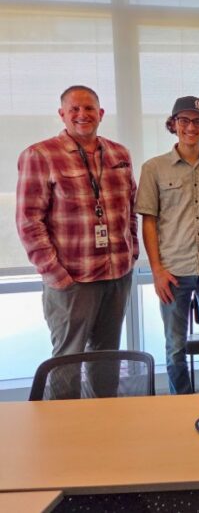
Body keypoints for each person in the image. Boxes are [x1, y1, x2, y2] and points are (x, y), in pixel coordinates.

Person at [16, 86, 138, 391]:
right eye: (74, 109)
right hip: (72, 280)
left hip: (116, 275)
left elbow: (131, 208)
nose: (82, 115)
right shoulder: (40, 155)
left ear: (100, 113)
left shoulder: (119, 153)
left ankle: (103, 426)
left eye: (89, 108)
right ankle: (63, 432)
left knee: (107, 358)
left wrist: (131, 252)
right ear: (62, 114)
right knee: (67, 361)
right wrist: (54, 272)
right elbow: (28, 220)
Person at [136, 96, 199, 394]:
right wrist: (156, 270)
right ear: (173, 124)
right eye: (184, 121)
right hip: (173, 272)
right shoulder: (154, 168)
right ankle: (180, 402)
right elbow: (149, 221)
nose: (190, 127)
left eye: (197, 121)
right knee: (175, 346)